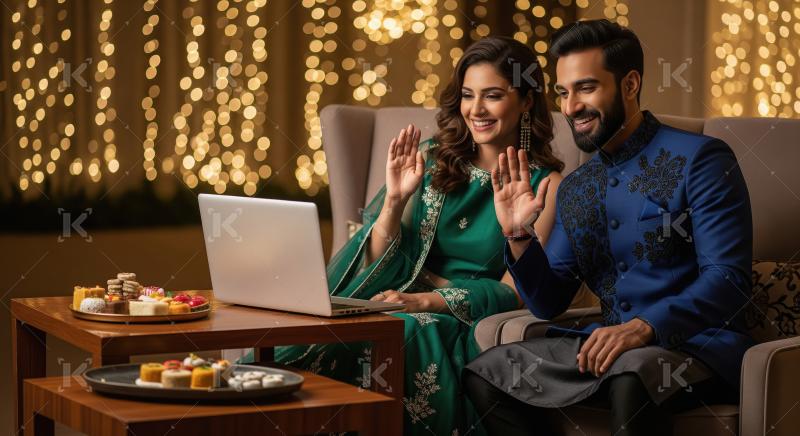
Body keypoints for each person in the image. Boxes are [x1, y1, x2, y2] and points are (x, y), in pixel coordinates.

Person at [463, 20, 754, 436]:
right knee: (487, 372)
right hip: (609, 350)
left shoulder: (702, 159)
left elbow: (728, 280)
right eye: (563, 92)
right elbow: (549, 301)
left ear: (630, 84)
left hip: (701, 349)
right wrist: (519, 235)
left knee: (632, 374)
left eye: (585, 88)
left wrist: (644, 327)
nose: (570, 107)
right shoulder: (577, 187)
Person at [274, 36, 564, 435]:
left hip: (458, 318)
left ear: (527, 101)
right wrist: (394, 201)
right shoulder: (432, 161)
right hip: (397, 297)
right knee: (306, 339)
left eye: (493, 96)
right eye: (468, 95)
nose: (476, 110)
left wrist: (427, 299)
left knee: (404, 330)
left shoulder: (545, 185)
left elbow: (515, 292)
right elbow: (375, 261)